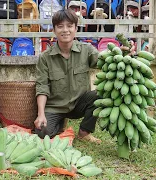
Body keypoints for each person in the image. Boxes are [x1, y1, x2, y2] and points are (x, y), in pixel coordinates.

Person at [34, 9, 102, 144]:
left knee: (101, 94)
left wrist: (122, 55)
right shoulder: (45, 58)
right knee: (43, 132)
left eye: (69, 26)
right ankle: (59, 123)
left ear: (76, 29)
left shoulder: (86, 50)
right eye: (60, 26)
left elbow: (105, 62)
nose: (65, 30)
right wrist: (41, 114)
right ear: (54, 30)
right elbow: (42, 86)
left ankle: (84, 132)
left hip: (79, 104)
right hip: (55, 106)